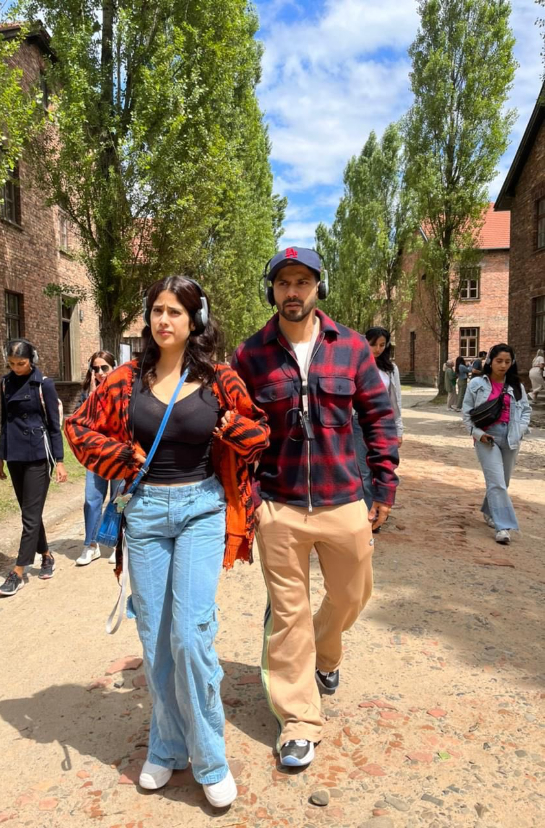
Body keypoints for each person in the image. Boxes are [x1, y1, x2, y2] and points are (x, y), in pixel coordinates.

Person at [65, 276, 269, 808]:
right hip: (148, 513)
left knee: (190, 634)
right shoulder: (126, 379)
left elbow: (259, 430)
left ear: (194, 320)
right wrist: (120, 458)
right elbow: (78, 427)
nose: (164, 320)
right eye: (158, 310)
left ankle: (210, 757)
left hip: (202, 508)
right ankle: (167, 743)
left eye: (176, 311)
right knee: (155, 639)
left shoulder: (219, 379)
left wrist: (231, 429)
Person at [231, 247, 399, 769]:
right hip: (278, 507)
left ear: (318, 287)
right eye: (283, 282)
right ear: (272, 290)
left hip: (343, 498)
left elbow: (379, 416)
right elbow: (234, 429)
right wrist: (251, 498)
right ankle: (299, 720)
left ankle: (325, 653)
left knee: (353, 594)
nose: (293, 292)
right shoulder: (250, 355)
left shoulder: (349, 347)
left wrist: (383, 486)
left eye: (303, 281)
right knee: (288, 614)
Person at [0, 339, 67, 596]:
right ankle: (46, 555)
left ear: (32, 360)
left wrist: (59, 461)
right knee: (30, 512)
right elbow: (5, 421)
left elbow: (54, 425)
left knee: (29, 515)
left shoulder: (44, 384)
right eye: (12, 364)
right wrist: (0, 458)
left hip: (38, 454)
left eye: (21, 363)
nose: (16, 368)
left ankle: (18, 571)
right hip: (14, 454)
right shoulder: (5, 383)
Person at [462, 343, 531, 545]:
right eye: (499, 361)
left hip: (510, 437)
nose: (503, 365)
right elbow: (466, 413)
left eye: (507, 362)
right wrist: (477, 433)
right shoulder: (476, 384)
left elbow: (526, 410)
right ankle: (503, 527)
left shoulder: (516, 386)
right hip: (487, 438)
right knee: (497, 483)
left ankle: (489, 510)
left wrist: (520, 431)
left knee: (502, 482)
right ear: (490, 361)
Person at [75, 350, 124, 566]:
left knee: (119, 499)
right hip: (95, 455)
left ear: (114, 367)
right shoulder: (86, 394)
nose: (100, 372)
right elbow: (81, 424)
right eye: (95, 368)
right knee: (91, 498)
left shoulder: (125, 390)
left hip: (118, 452)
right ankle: (91, 545)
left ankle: (117, 543)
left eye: (104, 367)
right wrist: (93, 397)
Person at [353, 326, 403, 513]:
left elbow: (395, 401)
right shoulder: (355, 365)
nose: (377, 349)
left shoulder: (390, 369)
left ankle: (381, 505)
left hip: (384, 423)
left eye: (382, 345)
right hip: (358, 423)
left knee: (383, 469)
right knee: (362, 470)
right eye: (373, 344)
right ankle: (367, 512)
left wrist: (399, 430)